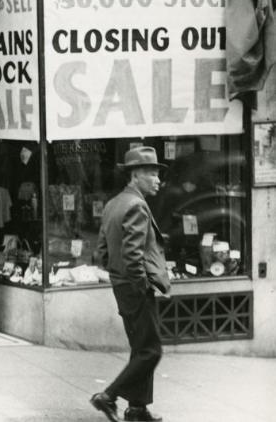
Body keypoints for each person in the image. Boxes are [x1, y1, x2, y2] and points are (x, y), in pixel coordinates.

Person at [90, 146, 171, 422]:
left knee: (141, 347)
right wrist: (140, 286)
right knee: (151, 350)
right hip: (134, 288)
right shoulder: (136, 205)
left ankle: (137, 409)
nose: (158, 180)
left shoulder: (114, 203)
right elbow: (133, 255)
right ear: (136, 176)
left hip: (121, 285)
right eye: (152, 174)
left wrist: (120, 279)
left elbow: (102, 249)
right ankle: (108, 396)